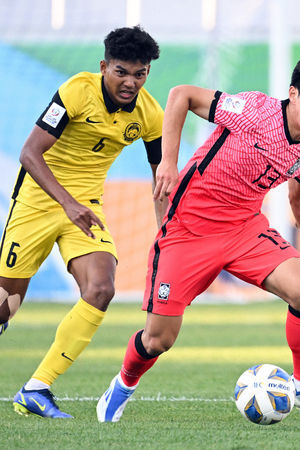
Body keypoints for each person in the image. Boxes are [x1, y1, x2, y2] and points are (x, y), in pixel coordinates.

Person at [95, 50, 300, 423]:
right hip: (187, 231)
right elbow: (181, 95)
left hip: (244, 229)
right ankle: (122, 385)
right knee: (158, 339)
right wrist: (167, 163)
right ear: (293, 93)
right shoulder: (254, 110)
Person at [0, 26, 166, 419]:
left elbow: (162, 181)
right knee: (4, 307)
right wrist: (67, 203)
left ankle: (37, 388)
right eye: (122, 71)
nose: (130, 82)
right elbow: (29, 153)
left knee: (101, 288)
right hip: (38, 200)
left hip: (86, 209)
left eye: (140, 74)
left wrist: (167, 233)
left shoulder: (150, 114)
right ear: (104, 66)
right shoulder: (76, 90)